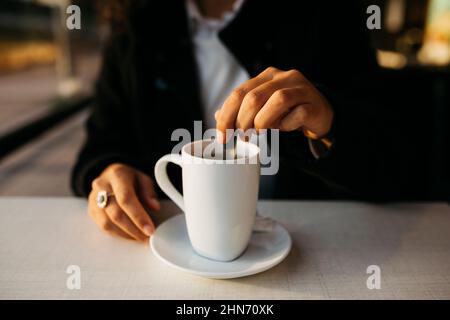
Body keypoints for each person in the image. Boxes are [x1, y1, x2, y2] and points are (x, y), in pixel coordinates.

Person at [72, 0, 379, 242]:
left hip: (314, 241)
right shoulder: (135, 25)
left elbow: (392, 157)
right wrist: (110, 173)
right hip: (168, 238)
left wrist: (328, 122)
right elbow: (103, 141)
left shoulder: (326, 14)